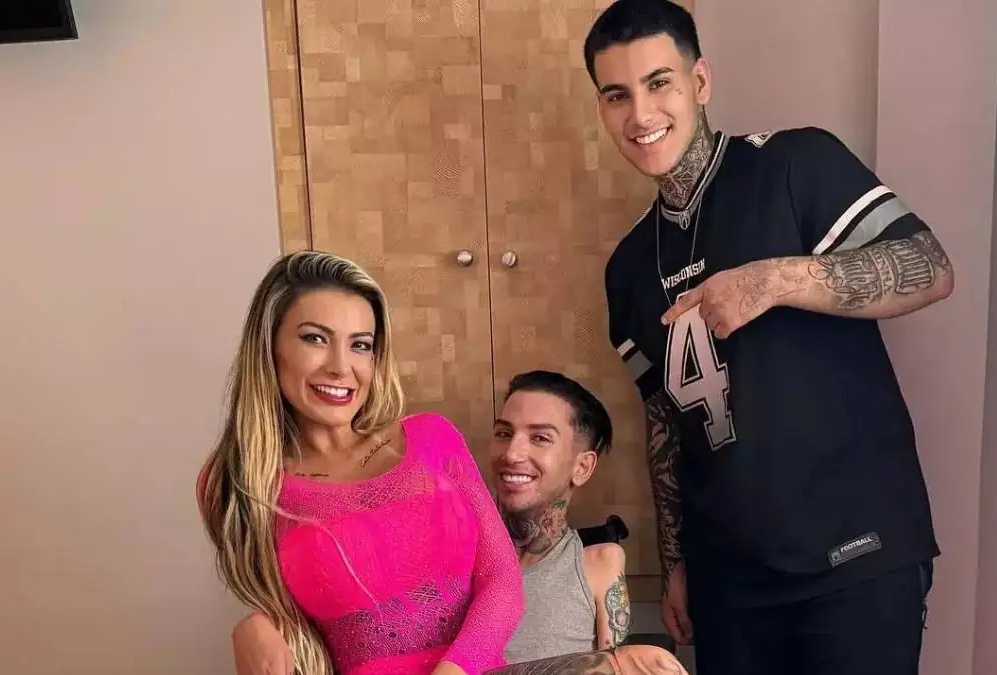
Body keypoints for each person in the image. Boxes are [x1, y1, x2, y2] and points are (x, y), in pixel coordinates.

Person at [584, 2, 954, 674]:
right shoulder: (628, 268)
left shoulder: (793, 163)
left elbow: (928, 267)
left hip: (855, 555)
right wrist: (675, 561)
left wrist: (773, 279)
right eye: (617, 95)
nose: (640, 114)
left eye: (659, 82)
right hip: (730, 582)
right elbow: (664, 422)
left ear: (699, 82)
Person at [203, 251, 685, 675]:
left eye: (360, 344)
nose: (340, 366)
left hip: (476, 671)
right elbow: (276, 603)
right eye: (314, 338)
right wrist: (257, 621)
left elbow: (502, 583)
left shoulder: (431, 439)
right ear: (270, 346)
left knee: (646, 666)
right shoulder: (238, 482)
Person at [491, 370, 631, 662]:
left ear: (582, 467)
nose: (512, 453)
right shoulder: (456, 560)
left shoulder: (599, 564)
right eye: (504, 433)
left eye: (540, 438)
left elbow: (615, 667)